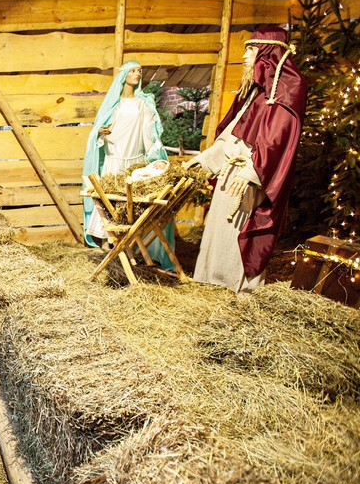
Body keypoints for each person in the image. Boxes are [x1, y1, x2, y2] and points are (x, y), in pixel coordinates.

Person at [183, 26, 306, 292]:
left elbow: (278, 143)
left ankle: (238, 288)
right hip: (231, 173)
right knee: (219, 229)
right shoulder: (254, 93)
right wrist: (206, 160)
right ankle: (213, 281)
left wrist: (252, 172)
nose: (245, 57)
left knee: (239, 231)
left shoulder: (285, 93)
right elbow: (232, 133)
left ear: (266, 53)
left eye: (250, 50)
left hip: (251, 179)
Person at [81, 60, 175, 269]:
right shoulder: (112, 105)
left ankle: (134, 247)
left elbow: (149, 134)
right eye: (133, 71)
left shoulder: (144, 104)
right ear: (123, 75)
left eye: (140, 71)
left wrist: (154, 157)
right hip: (113, 163)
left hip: (135, 164)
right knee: (110, 207)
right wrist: (100, 134)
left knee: (134, 210)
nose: (138, 74)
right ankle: (109, 244)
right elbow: (97, 132)